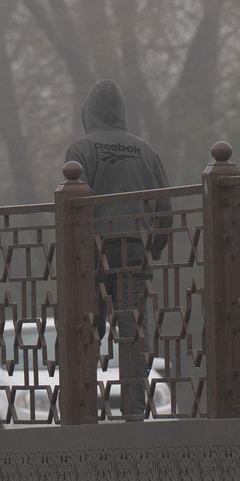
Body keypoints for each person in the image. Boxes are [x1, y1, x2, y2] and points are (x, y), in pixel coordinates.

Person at [64, 80, 170, 420]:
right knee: (132, 329)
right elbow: (165, 213)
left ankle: (82, 412)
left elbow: (72, 209)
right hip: (134, 253)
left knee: (85, 329)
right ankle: (135, 412)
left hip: (91, 256)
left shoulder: (81, 150)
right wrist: (150, 248)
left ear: (89, 114)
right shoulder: (147, 152)